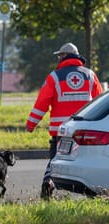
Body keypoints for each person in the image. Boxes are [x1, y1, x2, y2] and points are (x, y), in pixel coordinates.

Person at [26, 42, 103, 200]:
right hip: (84, 130)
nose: (58, 58)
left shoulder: (54, 77)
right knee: (87, 161)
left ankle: (48, 184)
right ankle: (94, 193)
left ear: (64, 56)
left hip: (61, 131)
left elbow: (42, 104)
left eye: (60, 55)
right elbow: (99, 101)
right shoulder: (90, 75)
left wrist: (31, 124)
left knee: (55, 161)